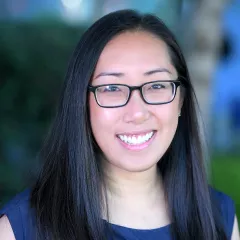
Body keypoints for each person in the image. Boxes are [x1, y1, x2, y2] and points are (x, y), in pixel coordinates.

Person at [0, 9, 239, 240]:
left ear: (180, 101)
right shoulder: (23, 227)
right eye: (112, 88)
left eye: (156, 85)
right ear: (82, 103)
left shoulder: (218, 218)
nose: (137, 113)